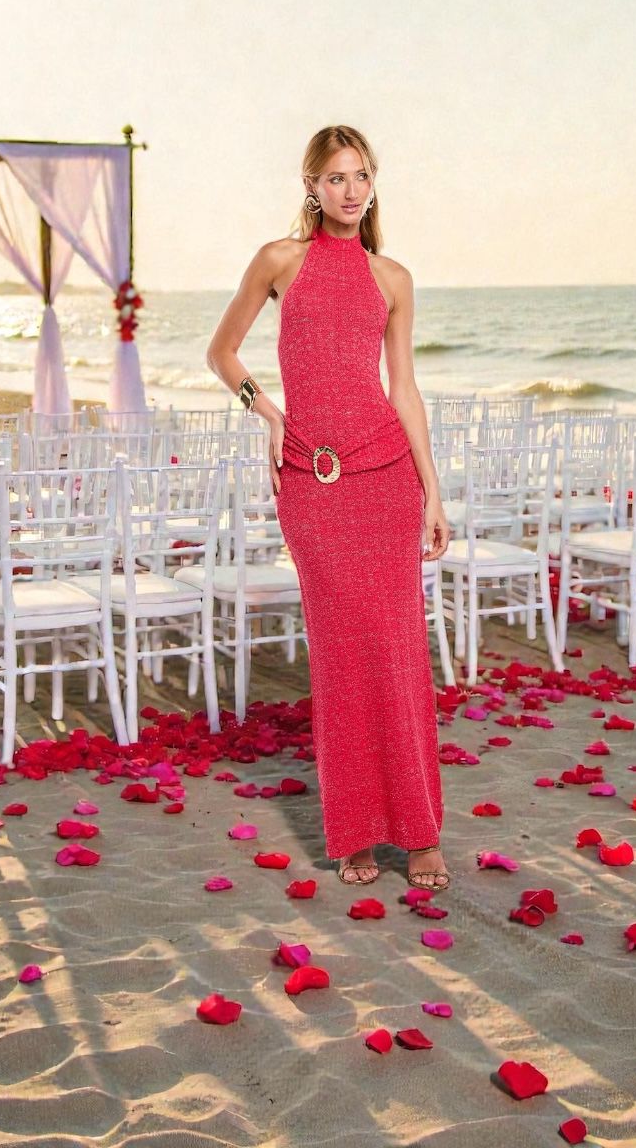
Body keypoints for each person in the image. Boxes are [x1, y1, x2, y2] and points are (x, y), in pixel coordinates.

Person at [205, 125, 451, 890]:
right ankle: (353, 832)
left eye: (363, 176)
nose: (353, 190)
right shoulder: (280, 262)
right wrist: (266, 412)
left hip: (386, 480)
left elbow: (403, 388)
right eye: (337, 177)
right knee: (342, 656)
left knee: (400, 649)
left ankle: (419, 834)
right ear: (311, 184)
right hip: (312, 483)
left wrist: (433, 489)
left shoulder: (393, 278)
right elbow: (223, 351)